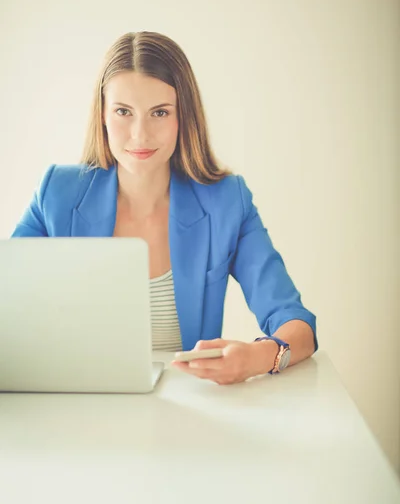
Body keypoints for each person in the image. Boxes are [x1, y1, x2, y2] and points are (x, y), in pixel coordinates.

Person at [11, 31, 317, 385]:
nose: (140, 135)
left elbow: (296, 323)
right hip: (76, 403)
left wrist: (257, 357)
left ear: (183, 117)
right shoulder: (57, 194)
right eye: (123, 111)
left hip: (183, 411)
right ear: (103, 116)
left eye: (159, 112)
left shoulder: (227, 201)